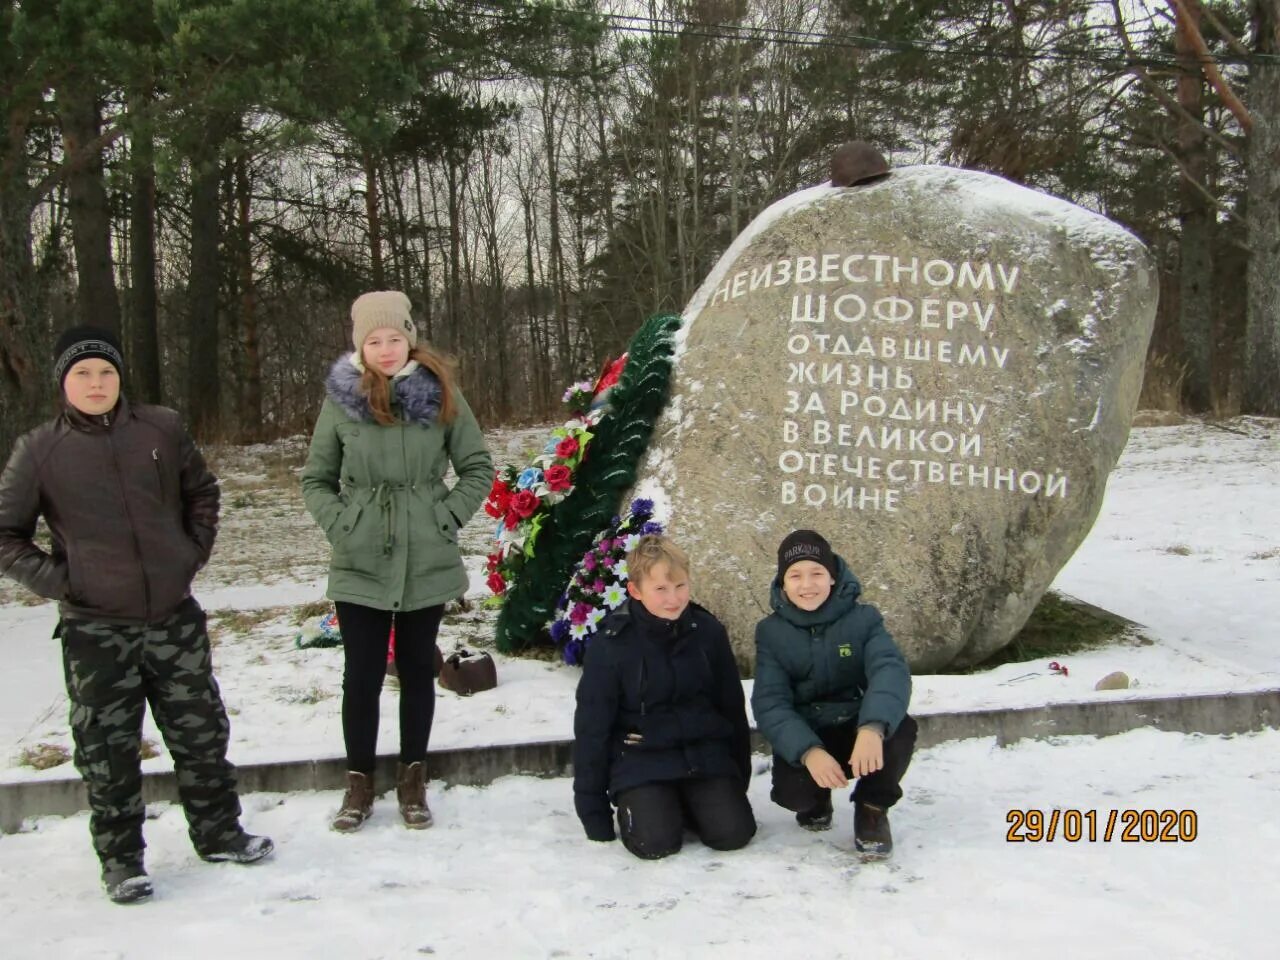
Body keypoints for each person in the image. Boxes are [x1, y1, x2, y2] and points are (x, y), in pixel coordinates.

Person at [0, 326, 273, 904]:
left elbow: (202, 491)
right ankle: (122, 861)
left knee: (201, 735)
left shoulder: (161, 428)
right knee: (108, 750)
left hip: (173, 619)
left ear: (120, 377)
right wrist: (67, 582)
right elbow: (7, 538)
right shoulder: (39, 450)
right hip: (97, 631)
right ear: (63, 383)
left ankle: (220, 832)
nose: (96, 383)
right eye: (82, 374)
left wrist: (189, 554)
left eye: (105, 372)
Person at [302, 291, 492, 833]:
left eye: (394, 337)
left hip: (425, 557)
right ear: (359, 345)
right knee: (359, 676)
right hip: (360, 556)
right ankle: (358, 783)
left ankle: (413, 781)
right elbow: (316, 478)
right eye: (373, 339)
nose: (385, 349)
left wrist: (444, 516)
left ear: (410, 337)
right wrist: (344, 523)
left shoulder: (441, 394)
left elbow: (477, 466)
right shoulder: (341, 402)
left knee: (416, 671)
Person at [572, 535, 756, 859]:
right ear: (635, 591)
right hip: (643, 758)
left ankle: (694, 804)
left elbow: (731, 708)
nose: (673, 599)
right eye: (660, 589)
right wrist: (593, 812)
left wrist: (737, 779)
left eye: (680, 586)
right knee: (655, 843)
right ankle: (651, 807)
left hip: (702, 753)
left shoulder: (708, 632)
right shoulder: (613, 644)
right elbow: (591, 728)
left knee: (733, 833)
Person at [751, 529, 917, 861]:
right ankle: (817, 799)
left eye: (817, 573)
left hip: (855, 728)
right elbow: (770, 702)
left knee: (901, 730)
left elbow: (890, 669)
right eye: (795, 575)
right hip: (809, 731)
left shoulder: (864, 620)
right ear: (783, 583)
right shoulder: (771, 632)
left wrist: (872, 728)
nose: (807, 584)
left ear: (833, 577)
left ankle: (872, 809)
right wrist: (808, 751)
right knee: (793, 795)